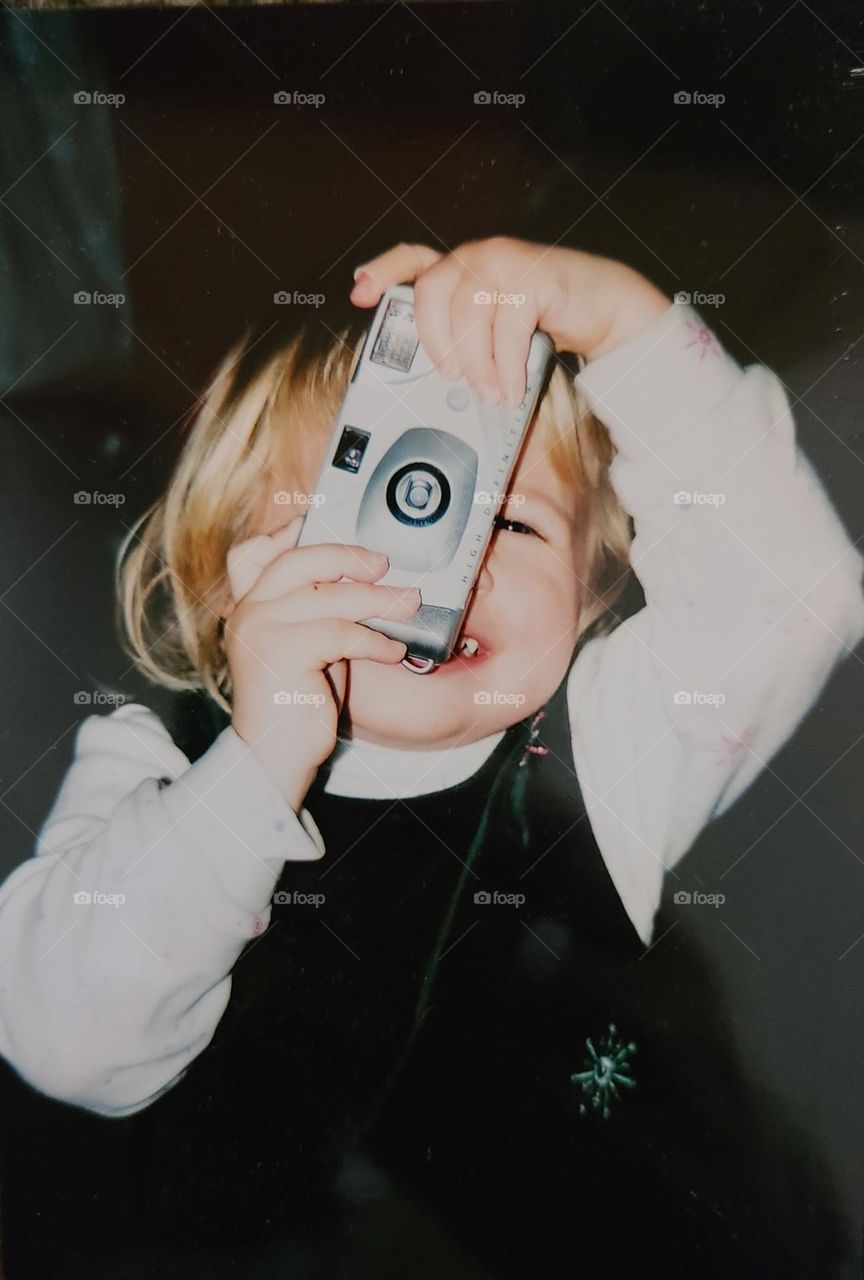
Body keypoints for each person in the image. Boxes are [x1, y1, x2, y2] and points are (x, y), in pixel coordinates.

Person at [0, 238, 860, 1278]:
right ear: (226, 574)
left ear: (591, 595)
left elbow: (795, 593)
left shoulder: (610, 743)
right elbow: (67, 1038)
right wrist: (264, 754)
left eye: (514, 520)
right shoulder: (157, 769)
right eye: (375, 500)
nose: (440, 560)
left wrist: (613, 314)